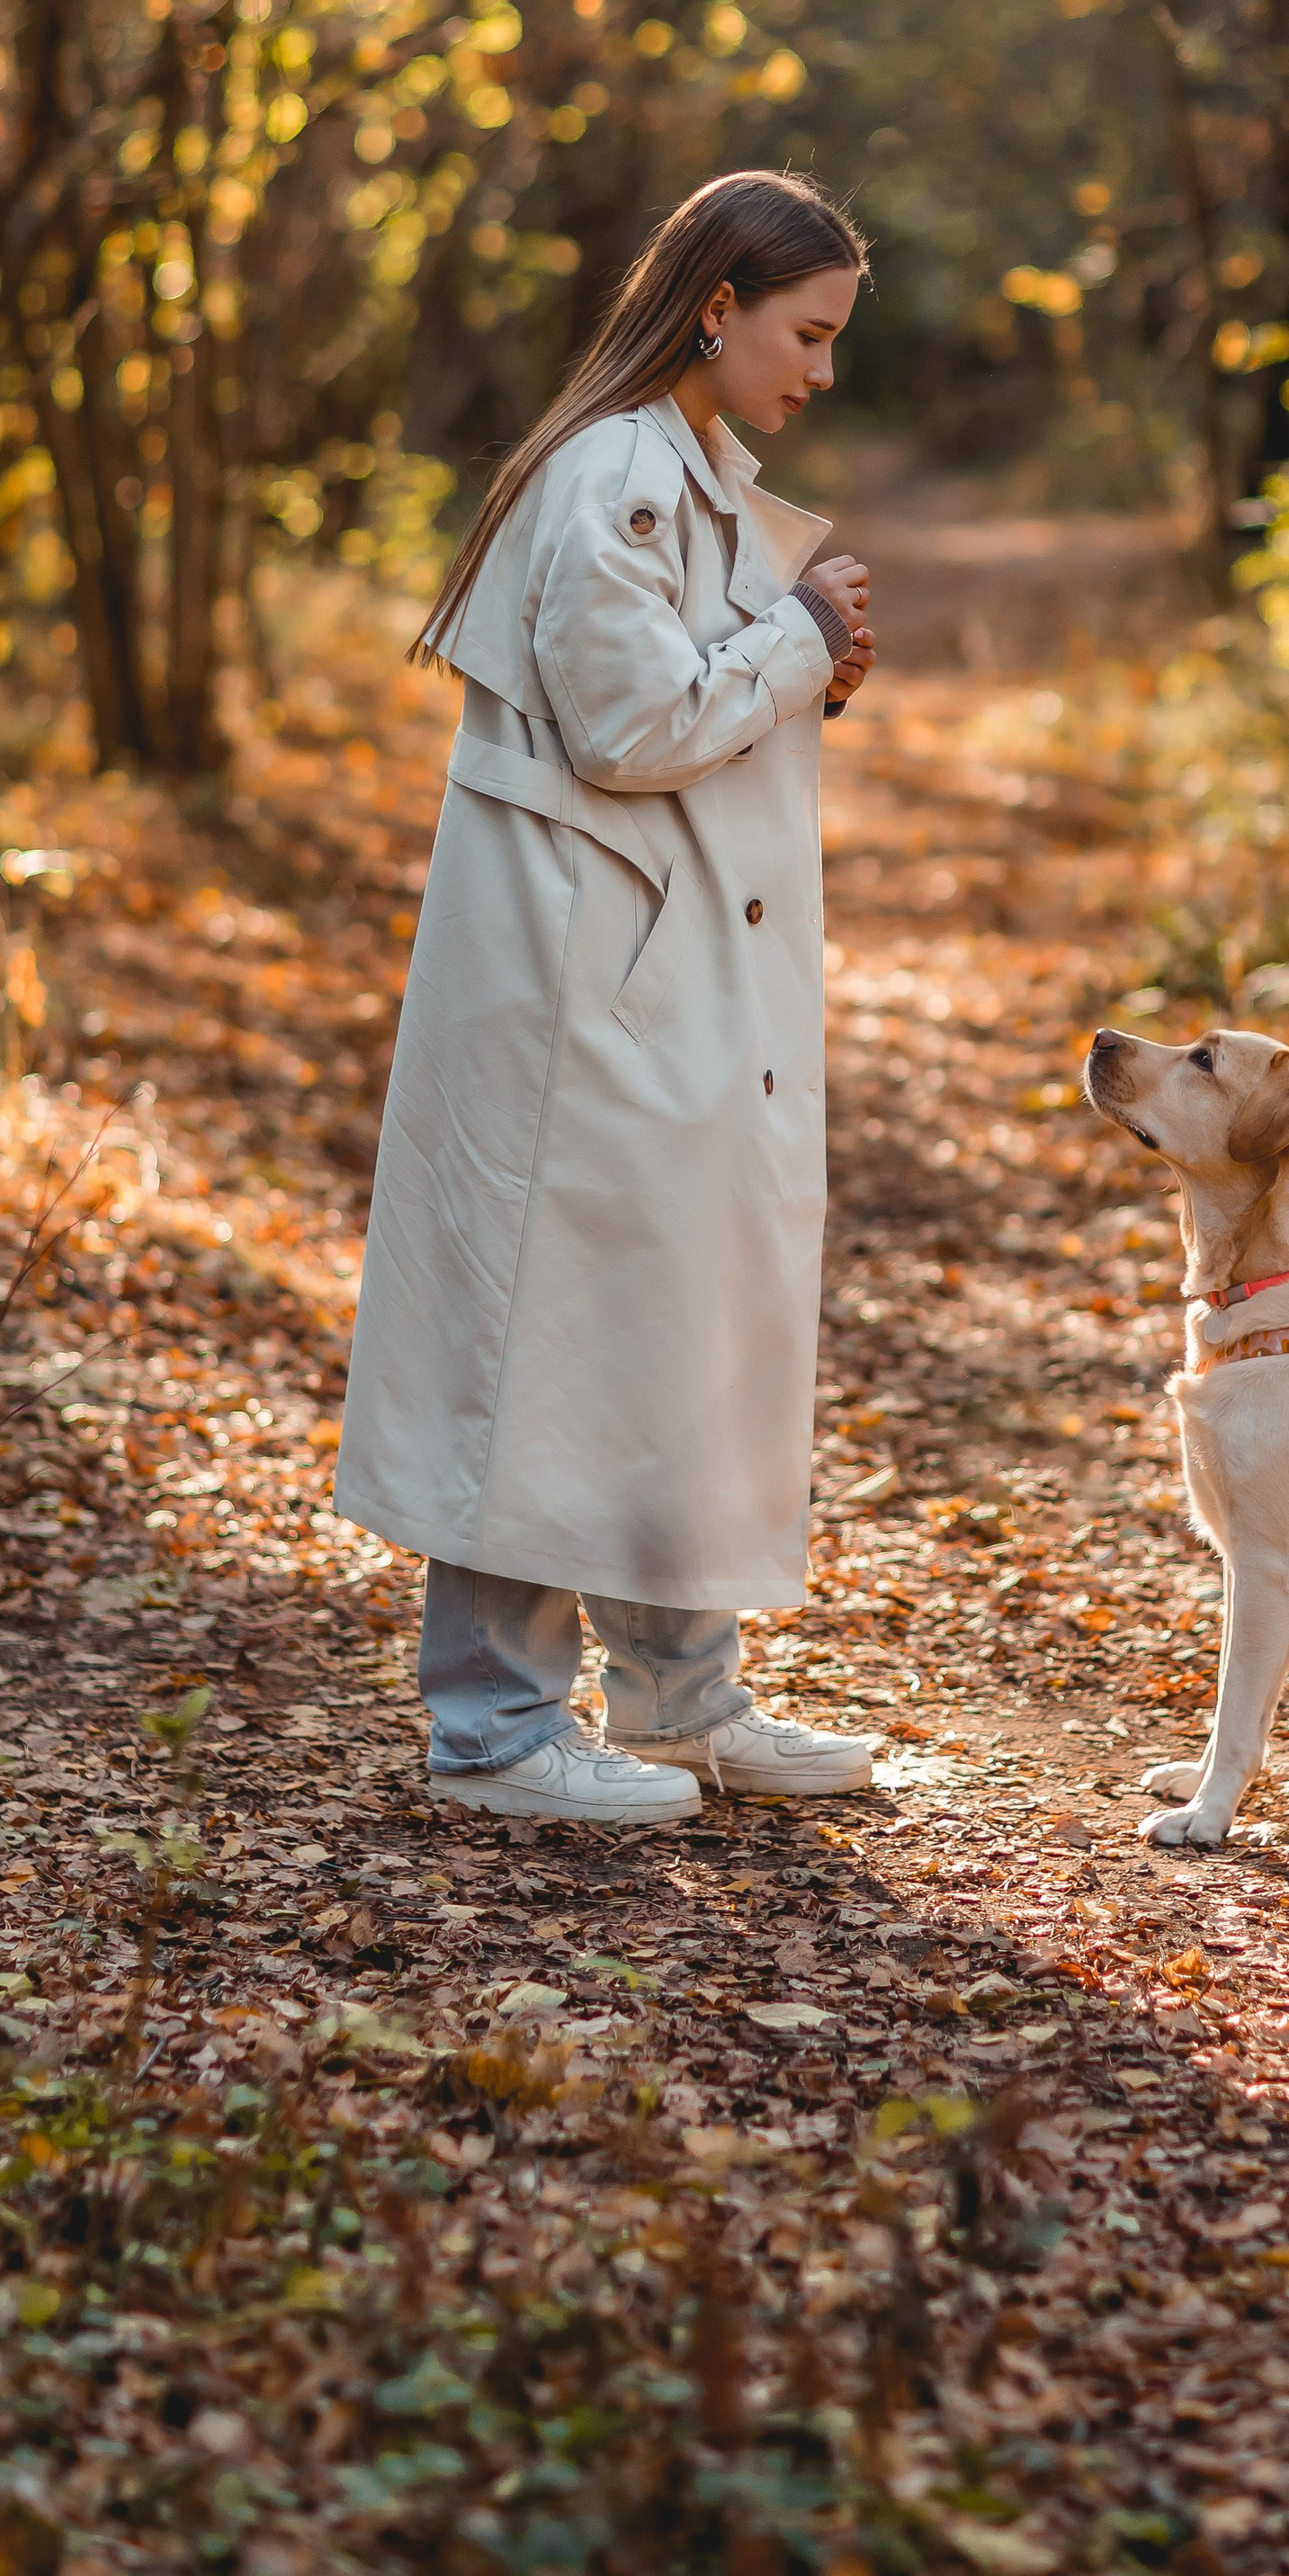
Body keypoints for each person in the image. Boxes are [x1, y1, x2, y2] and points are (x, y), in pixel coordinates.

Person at [330, 169, 881, 1827]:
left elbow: (695, 702)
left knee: (676, 1320)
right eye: (808, 332)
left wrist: (803, 660)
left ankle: (677, 1698)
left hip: (668, 969)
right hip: (582, 984)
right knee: (548, 1332)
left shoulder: (692, 469)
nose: (823, 371)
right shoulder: (610, 480)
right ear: (716, 305)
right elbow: (630, 732)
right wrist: (797, 639)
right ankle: (494, 1731)